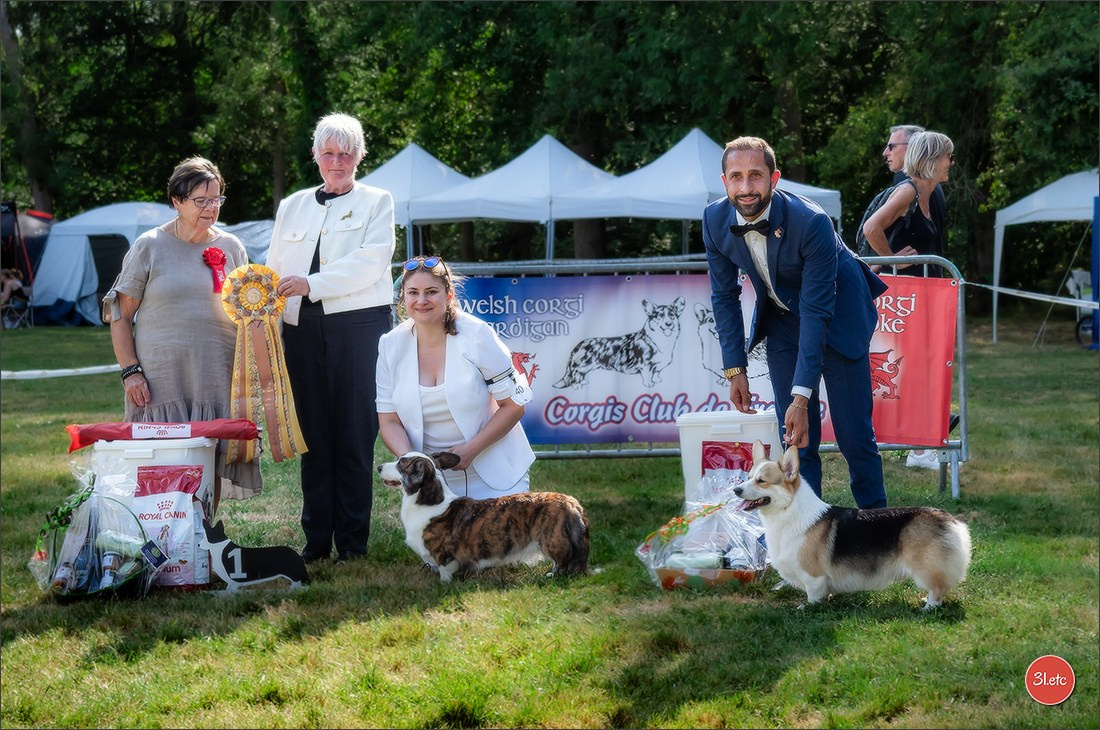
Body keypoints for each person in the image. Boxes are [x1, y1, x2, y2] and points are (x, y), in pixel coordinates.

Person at [702, 136, 889, 509]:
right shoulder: (713, 219)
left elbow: (818, 310)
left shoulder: (812, 221)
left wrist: (801, 398)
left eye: (756, 175)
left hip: (839, 316)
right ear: (724, 182)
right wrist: (734, 367)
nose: (746, 187)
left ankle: (880, 533)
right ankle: (808, 538)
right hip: (783, 319)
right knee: (799, 441)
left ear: (775, 178)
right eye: (736, 177)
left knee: (855, 437)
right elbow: (724, 297)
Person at [265, 112, 395, 565]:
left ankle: (353, 544)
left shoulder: (378, 201)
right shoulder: (293, 205)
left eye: (346, 153)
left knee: (355, 436)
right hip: (301, 329)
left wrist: (312, 283)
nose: (337, 162)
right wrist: (266, 315)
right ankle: (316, 542)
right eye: (329, 153)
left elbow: (372, 262)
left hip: (359, 327)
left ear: (360, 156)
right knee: (314, 438)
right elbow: (276, 267)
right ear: (315, 155)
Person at [103, 156, 261, 510]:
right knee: (160, 465)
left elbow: (248, 312)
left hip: (216, 379)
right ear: (176, 201)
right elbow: (120, 314)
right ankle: (161, 547)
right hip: (161, 382)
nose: (210, 209)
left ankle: (201, 543)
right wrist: (130, 372)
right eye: (200, 200)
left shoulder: (232, 246)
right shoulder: (149, 245)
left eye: (216, 200)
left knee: (209, 462)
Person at [376, 256, 534, 500]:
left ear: (449, 295)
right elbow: (389, 421)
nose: (421, 300)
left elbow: (513, 407)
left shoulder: (477, 334)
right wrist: (413, 465)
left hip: (494, 473)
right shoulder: (389, 345)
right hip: (430, 482)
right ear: (403, 299)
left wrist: (470, 451)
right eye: (413, 292)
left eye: (431, 292)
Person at [868, 124, 948, 275]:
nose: (886, 153)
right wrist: (889, 260)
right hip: (924, 277)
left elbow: (872, 228)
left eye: (891, 146)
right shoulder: (932, 184)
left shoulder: (907, 181)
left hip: (910, 283)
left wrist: (889, 261)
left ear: (913, 147)